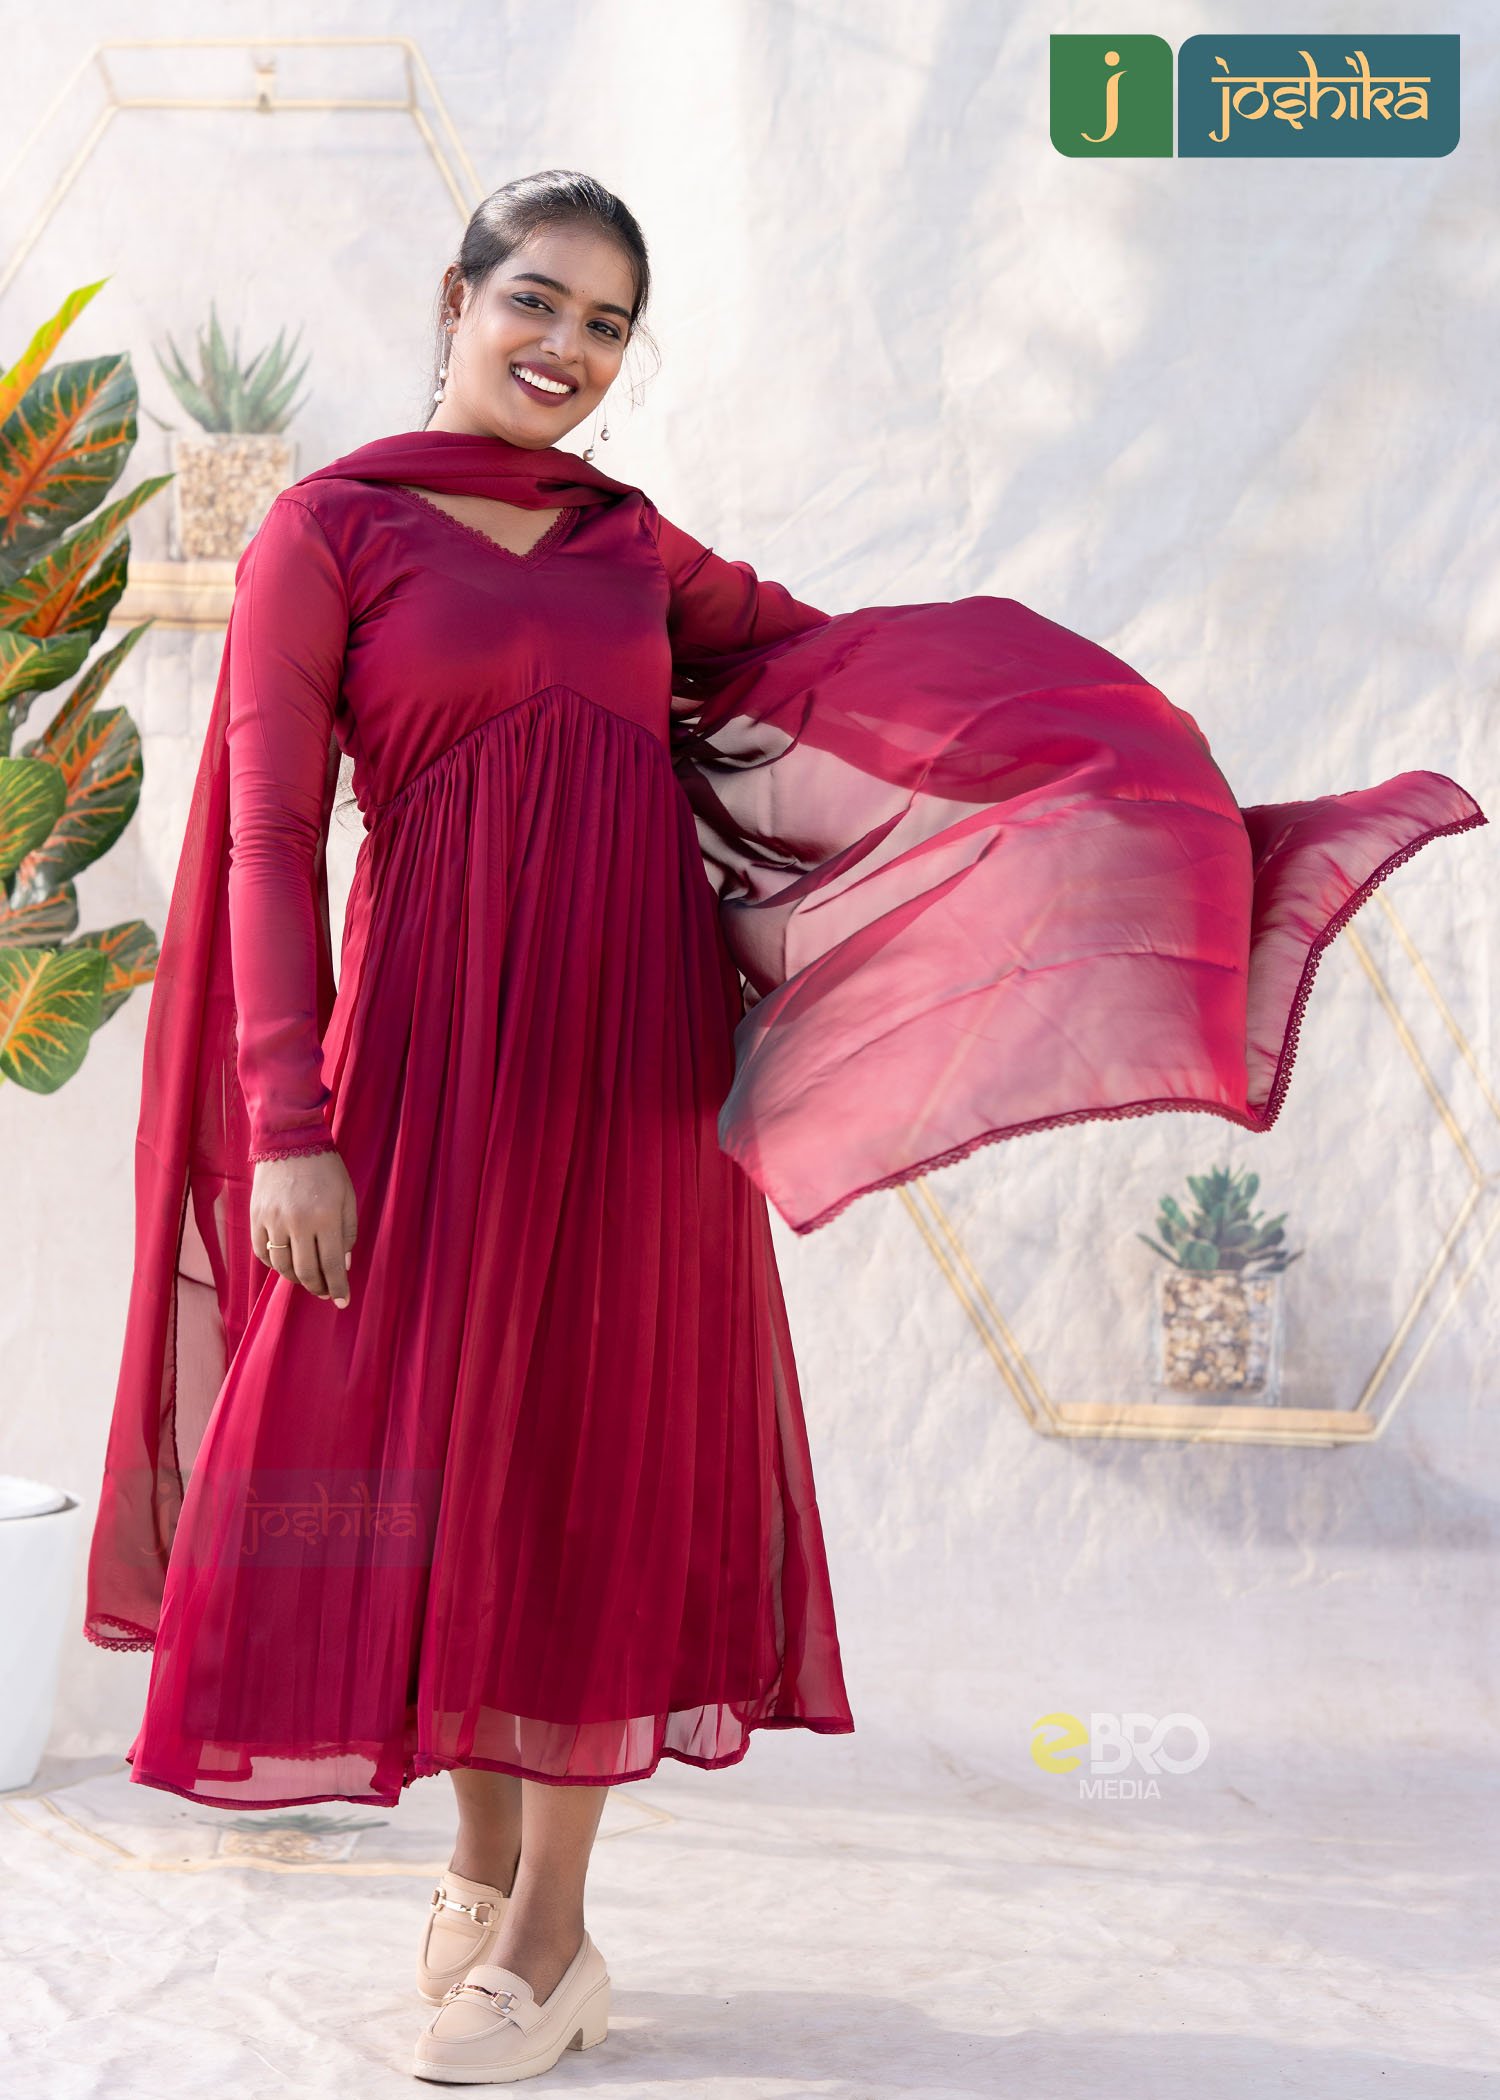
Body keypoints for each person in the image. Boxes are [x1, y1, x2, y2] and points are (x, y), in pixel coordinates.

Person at [83, 169, 1486, 2085]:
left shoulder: (630, 548)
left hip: (636, 1062)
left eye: (605, 326)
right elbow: (260, 836)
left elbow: (853, 687)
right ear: (456, 295)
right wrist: (288, 1118)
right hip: (422, 1060)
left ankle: (554, 1938)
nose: (567, 349)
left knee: (588, 1454)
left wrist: (1105, 785)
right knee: (431, 1448)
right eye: (537, 301)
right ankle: (480, 1866)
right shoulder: (331, 531)